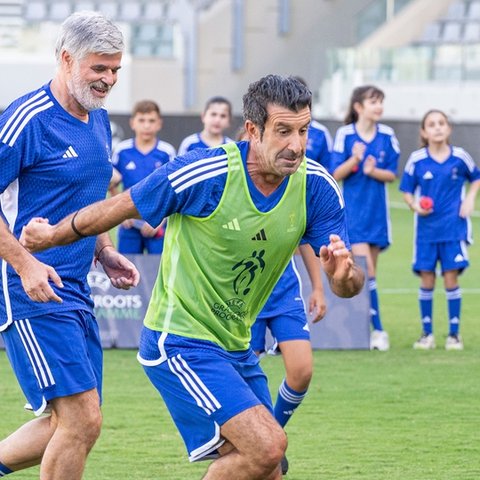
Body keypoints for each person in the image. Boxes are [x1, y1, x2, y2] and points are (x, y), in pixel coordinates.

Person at [22, 74, 364, 480]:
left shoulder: (315, 186)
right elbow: (122, 205)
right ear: (253, 130)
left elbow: (350, 284)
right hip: (181, 340)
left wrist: (341, 275)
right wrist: (53, 236)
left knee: (267, 466)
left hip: (235, 347)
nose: (297, 145)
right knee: (268, 445)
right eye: (283, 131)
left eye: (304, 130)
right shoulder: (207, 172)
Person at [0, 12, 139, 480]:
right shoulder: (27, 120)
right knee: (81, 419)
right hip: (30, 291)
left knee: (74, 422)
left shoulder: (98, 121)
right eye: (99, 68)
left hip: (76, 289)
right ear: (66, 58)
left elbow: (89, 196)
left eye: (116, 69)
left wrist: (104, 249)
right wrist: (25, 265)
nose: (109, 80)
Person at [399, 109, 480, 350]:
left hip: (453, 229)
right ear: (424, 131)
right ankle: (427, 334)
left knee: (451, 278)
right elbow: (405, 190)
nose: (437, 127)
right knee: (427, 280)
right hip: (425, 232)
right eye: (431, 124)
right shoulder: (417, 160)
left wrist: (470, 198)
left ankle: (454, 335)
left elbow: (476, 177)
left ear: (449, 128)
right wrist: (415, 205)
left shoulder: (460, 157)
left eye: (441, 123)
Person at [331, 85, 400, 351]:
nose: (378, 106)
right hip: (354, 215)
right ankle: (379, 331)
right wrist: (354, 160)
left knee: (369, 278)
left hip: (378, 216)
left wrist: (373, 171)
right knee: (367, 272)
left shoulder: (387, 135)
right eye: (373, 101)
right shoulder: (345, 135)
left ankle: (358, 331)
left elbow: (392, 174)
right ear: (358, 106)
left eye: (380, 101)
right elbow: (336, 173)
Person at [111, 100, 176, 254]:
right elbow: (111, 181)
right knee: (125, 271)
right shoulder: (122, 150)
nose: (146, 125)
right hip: (129, 223)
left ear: (159, 123)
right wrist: (120, 213)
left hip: (157, 222)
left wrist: (161, 219)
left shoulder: (166, 151)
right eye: (142, 120)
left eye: (151, 121)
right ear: (132, 123)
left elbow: (174, 189)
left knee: (160, 270)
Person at [294, 77, 332, 170]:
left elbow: (328, 168)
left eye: (303, 131)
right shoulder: (271, 128)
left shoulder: (321, 132)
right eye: (284, 132)